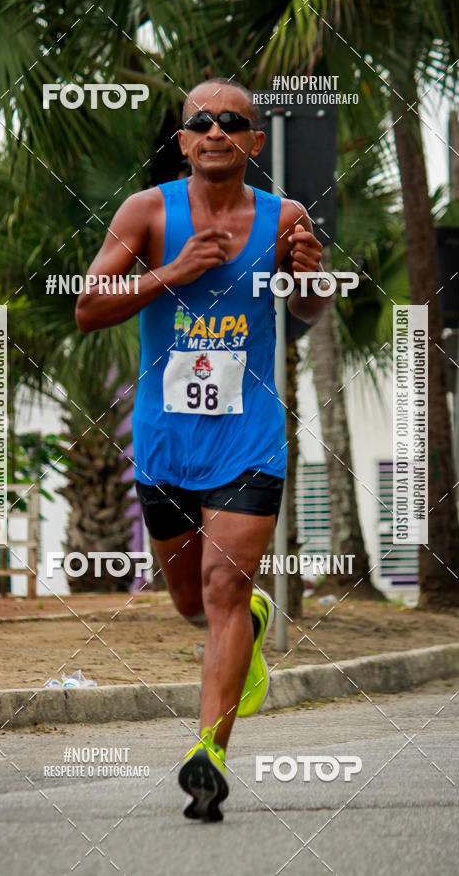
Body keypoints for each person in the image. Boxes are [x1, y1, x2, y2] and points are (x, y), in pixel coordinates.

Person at [76, 77, 328, 821]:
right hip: (165, 441)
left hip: (248, 435)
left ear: (254, 141)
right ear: (184, 140)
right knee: (192, 600)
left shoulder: (285, 216)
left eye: (233, 122)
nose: (216, 131)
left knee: (222, 586)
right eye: (201, 122)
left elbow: (307, 310)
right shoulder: (147, 211)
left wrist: (309, 280)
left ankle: (208, 758)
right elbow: (89, 308)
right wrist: (175, 272)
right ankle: (247, 626)